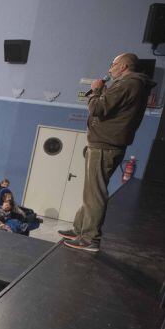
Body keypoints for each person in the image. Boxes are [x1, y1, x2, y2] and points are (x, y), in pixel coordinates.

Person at [59, 53, 154, 252]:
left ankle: (90, 238)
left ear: (124, 66)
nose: (110, 69)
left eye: (113, 64)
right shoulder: (133, 85)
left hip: (105, 145)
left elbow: (99, 109)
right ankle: (79, 229)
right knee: (91, 192)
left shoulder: (127, 84)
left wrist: (96, 91)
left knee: (95, 192)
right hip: (108, 143)